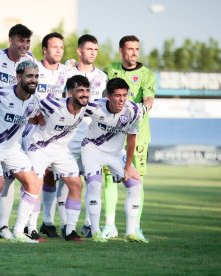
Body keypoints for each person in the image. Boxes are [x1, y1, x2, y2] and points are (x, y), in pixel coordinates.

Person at [0, 60, 41, 243]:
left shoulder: (34, 101)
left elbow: (36, 119)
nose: (33, 80)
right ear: (19, 77)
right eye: (29, 76)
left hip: (12, 149)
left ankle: (19, 232)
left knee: (34, 184)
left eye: (36, 76)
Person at [0, 24, 37, 240]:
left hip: (14, 142)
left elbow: (35, 110)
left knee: (28, 183)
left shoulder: (31, 65)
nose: (24, 45)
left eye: (27, 41)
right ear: (11, 40)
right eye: (20, 40)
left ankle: (15, 229)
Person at [103, 35, 155, 242]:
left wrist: (144, 107)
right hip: (113, 134)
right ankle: (109, 225)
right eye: (130, 49)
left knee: (136, 180)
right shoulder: (110, 70)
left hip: (139, 134)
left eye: (137, 49)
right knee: (109, 177)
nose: (134, 53)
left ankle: (135, 228)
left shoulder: (147, 74)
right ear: (121, 51)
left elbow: (149, 98)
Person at [27, 75, 90, 242]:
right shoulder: (52, 104)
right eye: (80, 91)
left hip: (61, 151)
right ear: (69, 93)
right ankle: (31, 229)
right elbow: (29, 101)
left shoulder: (86, 107)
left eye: (87, 90)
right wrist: (34, 117)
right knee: (35, 186)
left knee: (76, 184)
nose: (85, 94)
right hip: (39, 147)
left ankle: (70, 231)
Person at [81, 77, 145, 242]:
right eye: (117, 95)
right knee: (95, 185)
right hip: (92, 150)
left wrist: (129, 166)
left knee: (135, 185)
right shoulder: (95, 106)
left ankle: (131, 232)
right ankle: (95, 231)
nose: (122, 99)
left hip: (116, 153)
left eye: (124, 95)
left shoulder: (133, 110)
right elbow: (73, 109)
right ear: (108, 96)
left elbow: (131, 139)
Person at [65, 34, 108, 238]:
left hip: (93, 137)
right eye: (89, 49)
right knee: (64, 180)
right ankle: (63, 224)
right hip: (71, 133)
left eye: (95, 50)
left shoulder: (102, 77)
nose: (93, 53)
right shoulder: (66, 72)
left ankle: (90, 224)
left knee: (93, 179)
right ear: (79, 51)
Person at [27, 32, 68, 239]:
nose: (59, 50)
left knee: (51, 177)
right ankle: (23, 223)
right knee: (29, 178)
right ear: (44, 50)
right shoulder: (34, 69)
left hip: (54, 134)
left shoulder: (67, 72)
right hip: (30, 130)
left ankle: (48, 222)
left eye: (61, 47)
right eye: (54, 47)